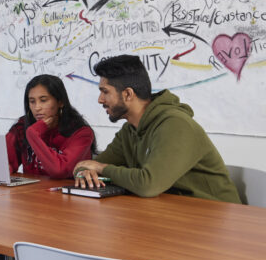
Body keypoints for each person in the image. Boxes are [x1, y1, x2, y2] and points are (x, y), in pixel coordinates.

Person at [73, 54, 240, 202]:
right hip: (172, 212)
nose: (100, 99)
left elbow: (148, 185)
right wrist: (83, 172)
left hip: (217, 219)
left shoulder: (176, 124)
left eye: (105, 92)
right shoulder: (130, 130)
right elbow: (90, 164)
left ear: (128, 94)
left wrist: (101, 169)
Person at [5, 74, 95, 178]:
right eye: (32, 101)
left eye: (43, 100)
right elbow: (3, 163)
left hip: (65, 192)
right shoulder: (22, 126)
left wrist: (33, 135)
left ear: (60, 102)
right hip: (30, 192)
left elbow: (59, 170)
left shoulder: (81, 133)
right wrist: (6, 167)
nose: (37, 107)